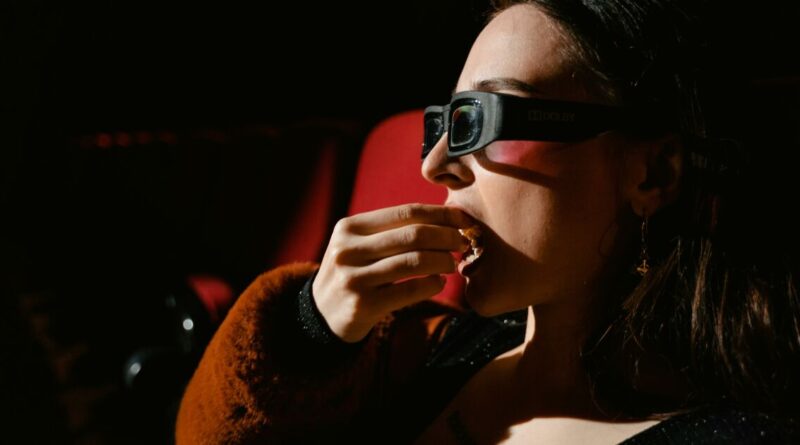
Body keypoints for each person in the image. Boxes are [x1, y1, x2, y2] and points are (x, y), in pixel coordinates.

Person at [175, 0, 800, 443]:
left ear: (651, 174)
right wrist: (309, 334)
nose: (434, 165)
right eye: (442, 125)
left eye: (480, 119)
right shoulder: (439, 349)